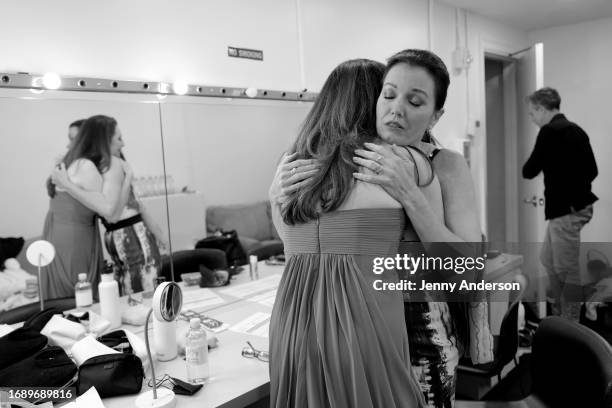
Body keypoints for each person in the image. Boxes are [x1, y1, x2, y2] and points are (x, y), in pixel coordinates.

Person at [272, 49, 494, 408]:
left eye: (413, 100)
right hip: (359, 329)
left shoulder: (441, 164)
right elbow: (294, 245)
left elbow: (467, 268)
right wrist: (276, 199)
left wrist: (411, 196)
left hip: (416, 330)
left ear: (435, 115)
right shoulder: (324, 166)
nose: (394, 109)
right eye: (387, 95)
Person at [269, 59, 426, 408]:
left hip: (293, 321)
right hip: (364, 320)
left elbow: (289, 243)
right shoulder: (392, 161)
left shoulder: (290, 163)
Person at [522, 87, 598, 322]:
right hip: (577, 208)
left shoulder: (549, 132)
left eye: (532, 114)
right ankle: (560, 314)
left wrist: (564, 189)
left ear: (541, 109)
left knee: (567, 270)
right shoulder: (577, 131)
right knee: (548, 259)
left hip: (566, 212)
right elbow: (592, 171)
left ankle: (570, 324)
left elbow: (529, 170)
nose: (532, 119)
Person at [45, 115, 132, 299]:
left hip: (59, 232)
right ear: (103, 140)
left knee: (71, 294)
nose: (123, 143)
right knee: (79, 296)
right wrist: (128, 178)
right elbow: (111, 213)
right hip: (75, 239)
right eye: (118, 138)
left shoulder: (74, 163)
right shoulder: (85, 166)